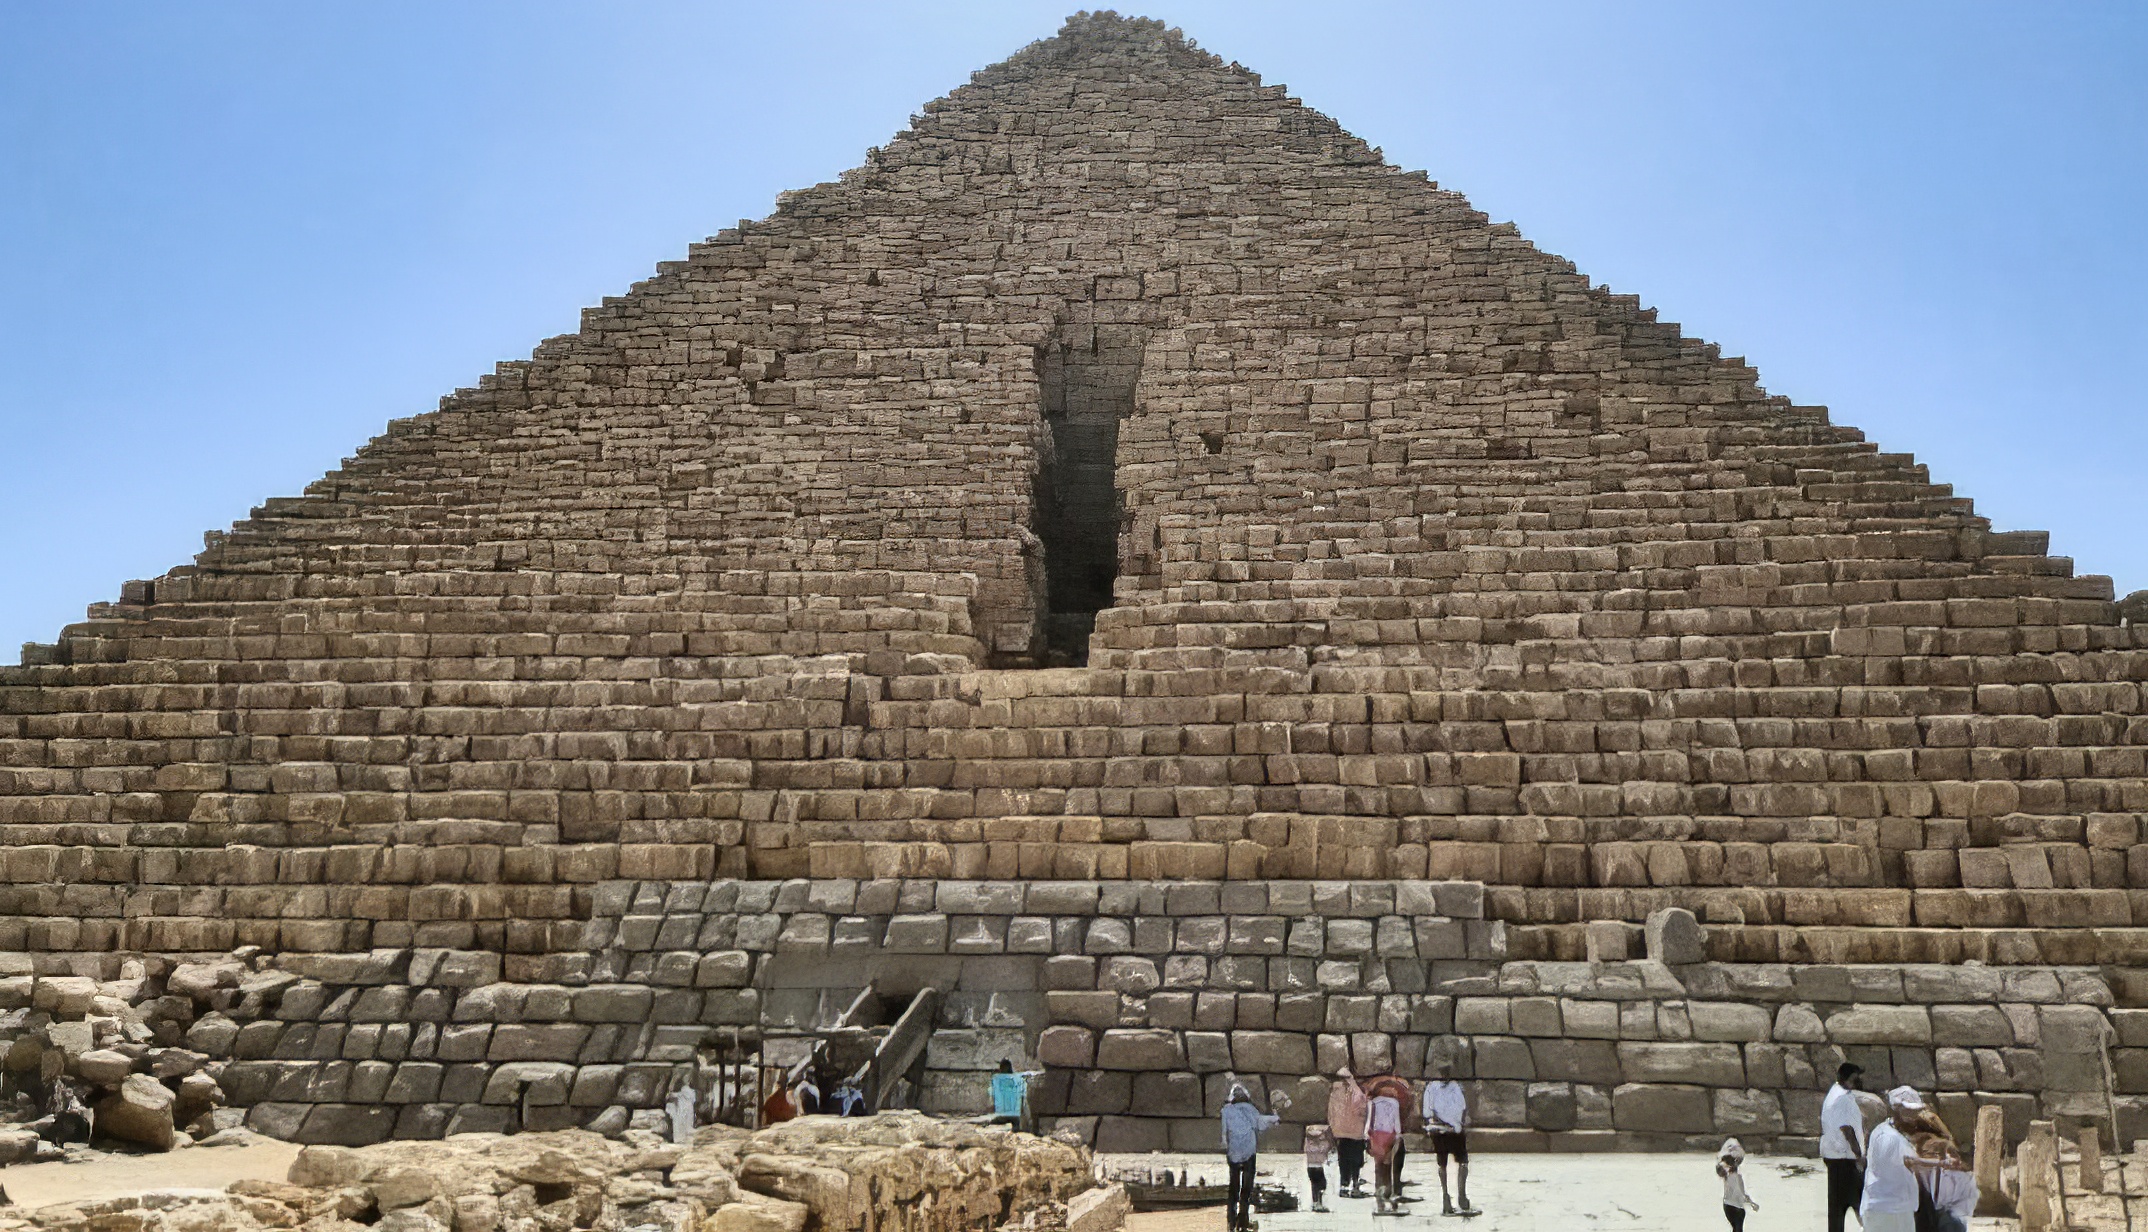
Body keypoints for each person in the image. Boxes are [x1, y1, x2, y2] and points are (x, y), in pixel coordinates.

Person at [1861, 1086, 1936, 1232]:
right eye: (1909, 1112)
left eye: (1916, 1113)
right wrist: (1943, 1163)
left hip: (1896, 1208)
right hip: (1888, 1210)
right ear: (1896, 1110)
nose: (1913, 1118)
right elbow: (1910, 1163)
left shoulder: (1890, 1132)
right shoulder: (1888, 1138)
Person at [1221, 1083, 1280, 1232]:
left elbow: (1224, 1133)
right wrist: (1275, 1118)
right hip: (1248, 1152)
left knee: (1233, 1188)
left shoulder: (1226, 1111)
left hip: (1233, 1153)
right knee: (1246, 1190)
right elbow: (1260, 1124)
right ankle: (1243, 1222)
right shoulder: (1251, 1109)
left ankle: (1231, 1222)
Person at [1421, 1060, 1477, 1216]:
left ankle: (1457, 1195)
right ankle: (1452, 1196)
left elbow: (1461, 1108)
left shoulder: (1449, 1087)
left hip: (1449, 1130)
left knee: (1455, 1163)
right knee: (1450, 1163)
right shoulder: (1438, 1088)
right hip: (1445, 1131)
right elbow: (1429, 1112)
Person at [1820, 1062, 1867, 1232]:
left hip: (1835, 1157)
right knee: (1861, 1203)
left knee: (1837, 1209)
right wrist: (1859, 1156)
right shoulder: (1842, 1099)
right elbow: (1846, 1129)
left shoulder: (1835, 1093)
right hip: (1846, 1159)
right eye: (1856, 1077)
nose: (1859, 1080)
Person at [1365, 1074, 1410, 1216]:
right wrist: (1398, 1136)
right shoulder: (1394, 1103)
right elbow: (1396, 1123)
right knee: (1388, 1167)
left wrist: (1366, 1136)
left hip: (1376, 1137)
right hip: (1389, 1137)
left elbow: (1368, 1122)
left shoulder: (1372, 1103)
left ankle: (1380, 1202)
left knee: (1379, 1169)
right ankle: (1389, 1197)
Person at [1328, 1067, 1370, 1198]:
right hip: (1353, 1133)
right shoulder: (1356, 1093)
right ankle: (1353, 1186)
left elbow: (1331, 1112)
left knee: (1345, 1160)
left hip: (1344, 1132)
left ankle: (1346, 1186)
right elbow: (1362, 1111)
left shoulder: (1336, 1093)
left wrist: (1334, 1127)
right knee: (1353, 1160)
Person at [1717, 1138, 1760, 1230]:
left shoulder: (1727, 1177)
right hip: (1737, 1208)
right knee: (1738, 1228)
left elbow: (1738, 1193)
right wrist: (1750, 1203)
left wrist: (1751, 1203)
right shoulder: (1736, 1177)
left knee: (1735, 1228)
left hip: (1727, 1206)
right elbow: (1739, 1193)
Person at [1304, 1122, 1334, 1213]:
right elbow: (1327, 1148)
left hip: (1310, 1167)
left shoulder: (1308, 1143)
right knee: (1321, 1185)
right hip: (1319, 1167)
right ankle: (1318, 1203)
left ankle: (1315, 1202)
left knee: (1314, 1185)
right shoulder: (1322, 1144)